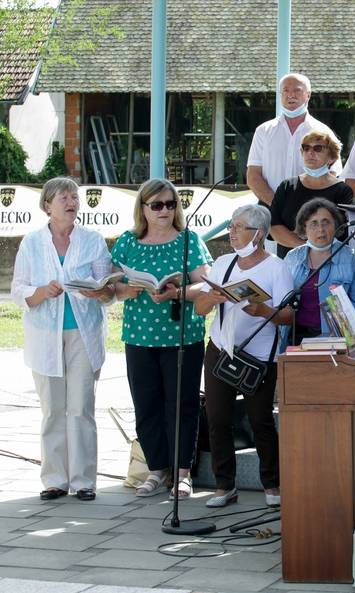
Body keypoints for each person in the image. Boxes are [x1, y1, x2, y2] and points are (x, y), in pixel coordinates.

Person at [12, 177, 114, 502]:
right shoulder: (31, 243)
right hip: (44, 335)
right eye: (64, 198)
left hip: (85, 334)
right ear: (48, 205)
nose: (72, 203)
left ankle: (84, 481)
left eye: (74, 197)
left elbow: (108, 288)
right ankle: (54, 480)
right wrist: (41, 292)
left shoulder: (93, 240)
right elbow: (18, 290)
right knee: (53, 409)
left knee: (81, 407)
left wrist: (99, 291)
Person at [111, 178, 213, 499]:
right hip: (139, 336)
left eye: (170, 204)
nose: (164, 211)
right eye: (157, 205)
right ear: (143, 208)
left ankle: (183, 473)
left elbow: (207, 284)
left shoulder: (188, 240)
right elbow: (111, 284)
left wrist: (177, 293)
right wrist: (127, 289)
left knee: (181, 405)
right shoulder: (128, 241)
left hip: (182, 336)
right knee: (146, 404)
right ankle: (156, 470)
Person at [194, 205, 293, 509]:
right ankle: (224, 485)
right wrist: (211, 297)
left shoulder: (276, 267)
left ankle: (272, 484)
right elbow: (199, 308)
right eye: (231, 226)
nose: (232, 232)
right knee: (217, 418)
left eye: (238, 227)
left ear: (258, 234)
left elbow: (288, 315)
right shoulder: (223, 262)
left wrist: (263, 310)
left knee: (260, 420)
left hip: (259, 355)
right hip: (221, 348)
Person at [283, 198, 355, 342]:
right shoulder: (292, 257)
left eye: (326, 222)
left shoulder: (352, 258)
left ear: (336, 225)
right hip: (296, 336)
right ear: (304, 228)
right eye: (314, 223)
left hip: (337, 339)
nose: (321, 229)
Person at [247, 73, 342, 207]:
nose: (291, 95)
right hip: (269, 209)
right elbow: (253, 176)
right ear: (280, 94)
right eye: (286, 90)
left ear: (308, 95)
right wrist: (277, 205)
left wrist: (306, 209)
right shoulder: (263, 131)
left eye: (297, 90)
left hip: (308, 212)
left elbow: (333, 174)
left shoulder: (323, 132)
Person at [269, 129, 353, 258]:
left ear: (331, 157)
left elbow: (344, 231)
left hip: (329, 262)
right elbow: (273, 225)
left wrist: (316, 252)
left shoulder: (343, 191)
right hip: (290, 263)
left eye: (318, 148)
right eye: (306, 148)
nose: (310, 152)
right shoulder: (287, 186)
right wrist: (305, 248)